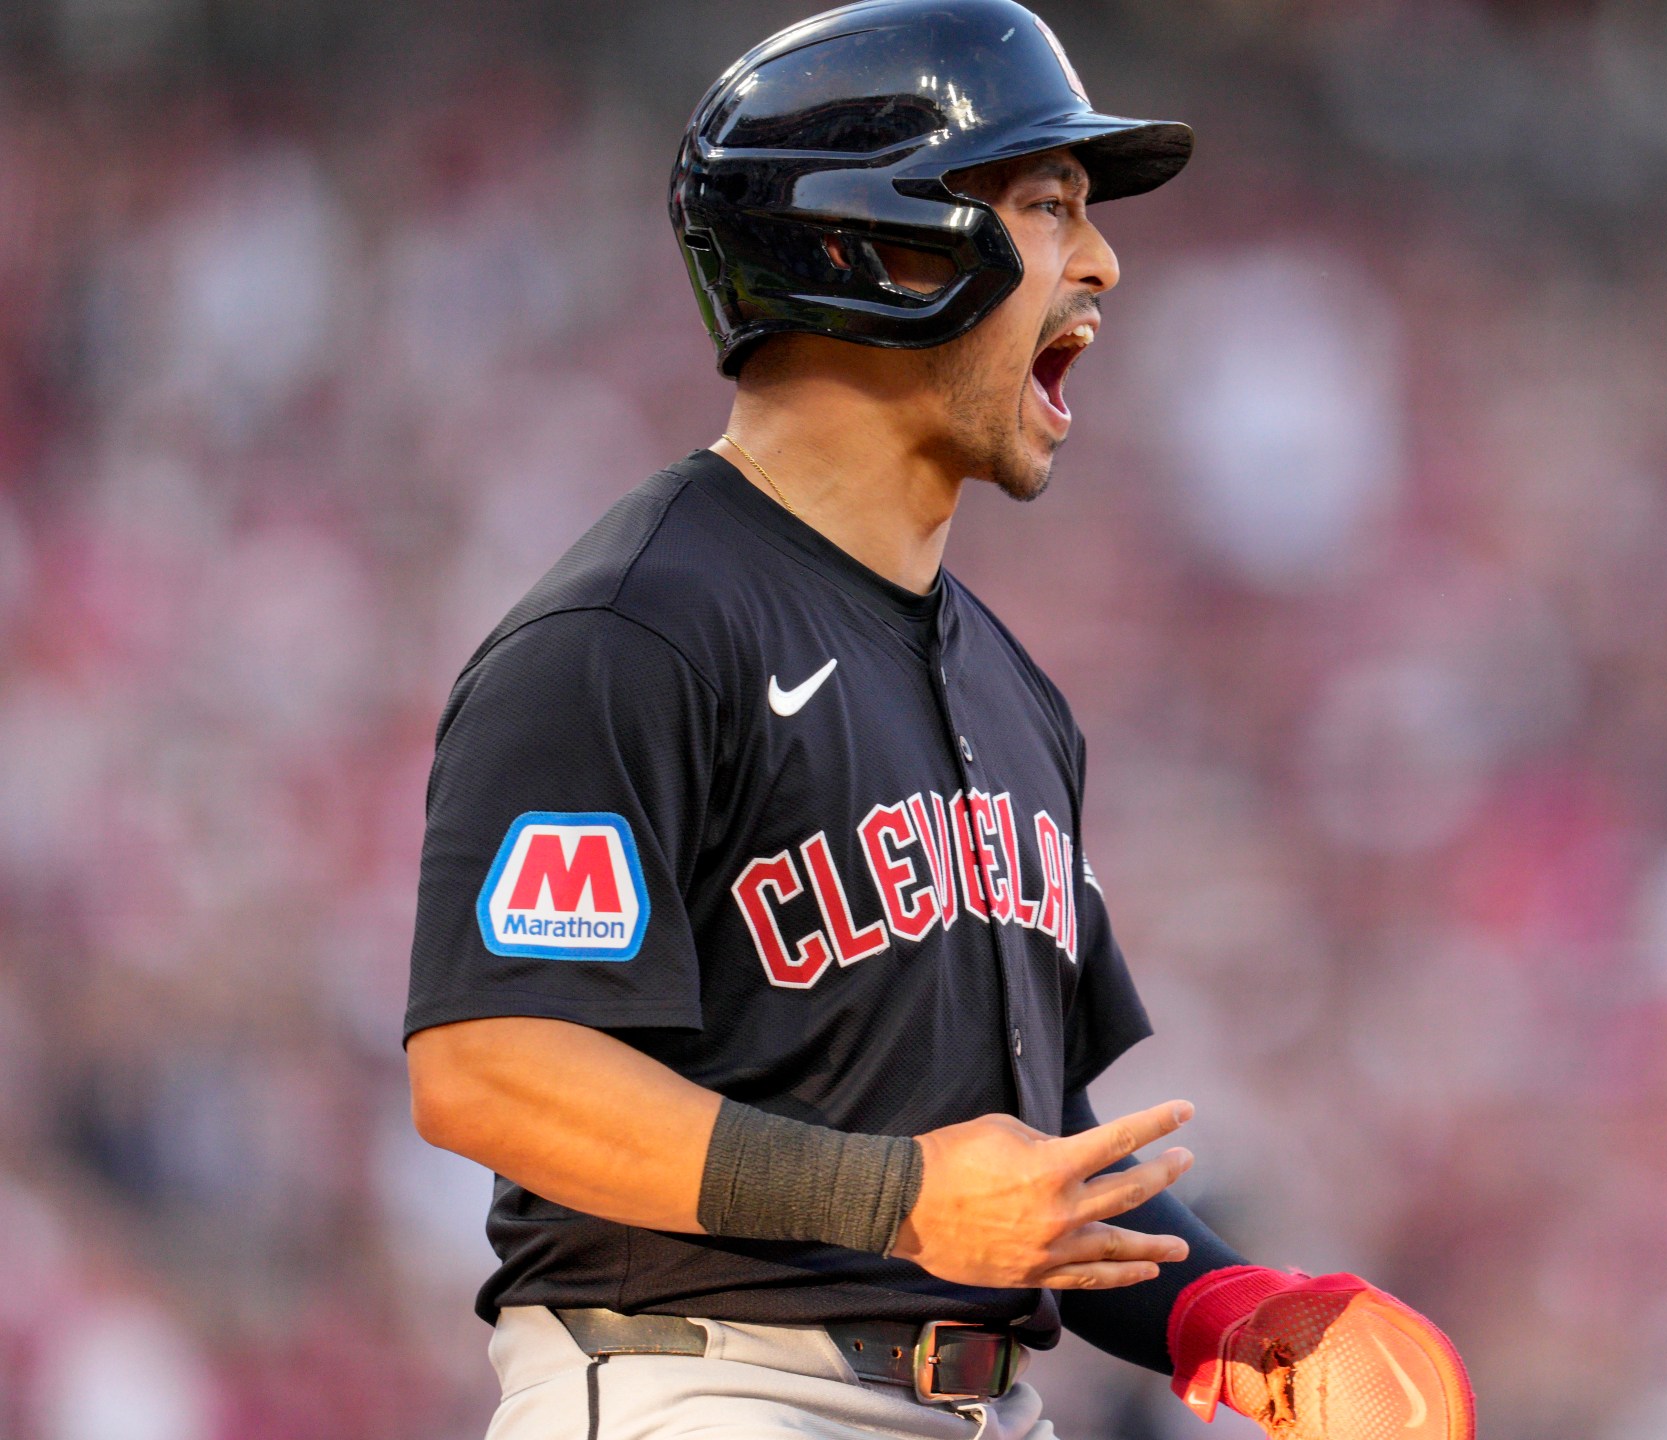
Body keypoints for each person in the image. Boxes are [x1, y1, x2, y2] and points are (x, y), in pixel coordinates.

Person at [399, 3, 1474, 1437]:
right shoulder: (630, 631)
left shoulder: (1014, 693)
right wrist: (895, 1199)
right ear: (874, 243)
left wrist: (1230, 1313)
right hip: (708, 1386)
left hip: (981, 1406)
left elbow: (1023, 1182)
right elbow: (489, 1067)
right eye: (1045, 205)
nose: (1099, 260)